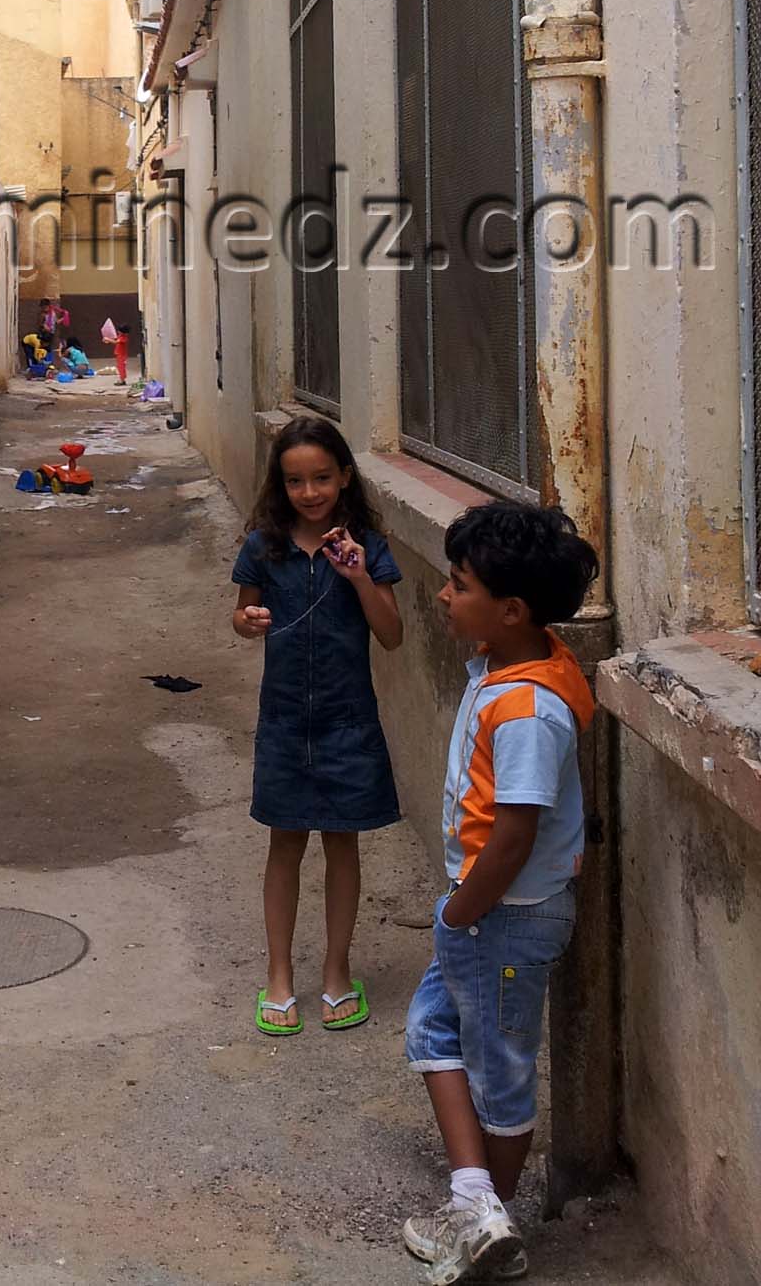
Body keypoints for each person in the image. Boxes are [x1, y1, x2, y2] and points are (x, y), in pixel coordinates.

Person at [400, 499, 597, 1286]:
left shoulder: (530, 709)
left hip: (501, 917)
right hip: (485, 913)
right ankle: (475, 1201)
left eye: (459, 583)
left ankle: (489, 1220)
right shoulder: (515, 663)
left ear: (510, 610)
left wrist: (460, 910)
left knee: (500, 1067)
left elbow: (514, 833)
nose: (445, 596)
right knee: (432, 1033)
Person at [231, 416, 404, 1038]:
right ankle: (278, 977)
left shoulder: (367, 548)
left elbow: (391, 634)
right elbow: (242, 612)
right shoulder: (264, 545)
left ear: (345, 477)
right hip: (283, 720)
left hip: (346, 720)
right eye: (296, 481)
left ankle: (336, 971)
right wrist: (247, 620)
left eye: (322, 478)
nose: (310, 492)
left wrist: (357, 573)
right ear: (281, 485)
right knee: (284, 845)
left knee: (342, 842)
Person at [113, 321, 131, 385]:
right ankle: (121, 379)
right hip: (119, 354)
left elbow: (116, 342)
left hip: (122, 355)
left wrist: (108, 340)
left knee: (121, 367)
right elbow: (115, 340)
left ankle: (122, 379)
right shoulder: (120, 336)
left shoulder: (124, 338)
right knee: (119, 367)